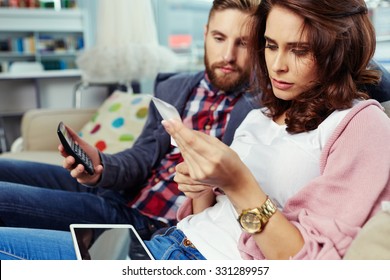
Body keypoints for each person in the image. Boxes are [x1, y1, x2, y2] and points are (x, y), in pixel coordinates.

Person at [0, 0, 390, 260]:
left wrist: (238, 184)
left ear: (338, 50)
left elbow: (314, 263)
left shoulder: (362, 126)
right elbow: (205, 214)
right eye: (271, 46)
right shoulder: (264, 116)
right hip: (165, 243)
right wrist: (205, 188)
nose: (278, 66)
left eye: (300, 50)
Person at [0, 0, 262, 240]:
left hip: (145, 222)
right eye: (219, 38)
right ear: (205, 34)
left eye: (243, 42)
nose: (228, 55)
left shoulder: (260, 109)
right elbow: (142, 156)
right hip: (117, 193)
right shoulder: (174, 88)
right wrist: (100, 163)